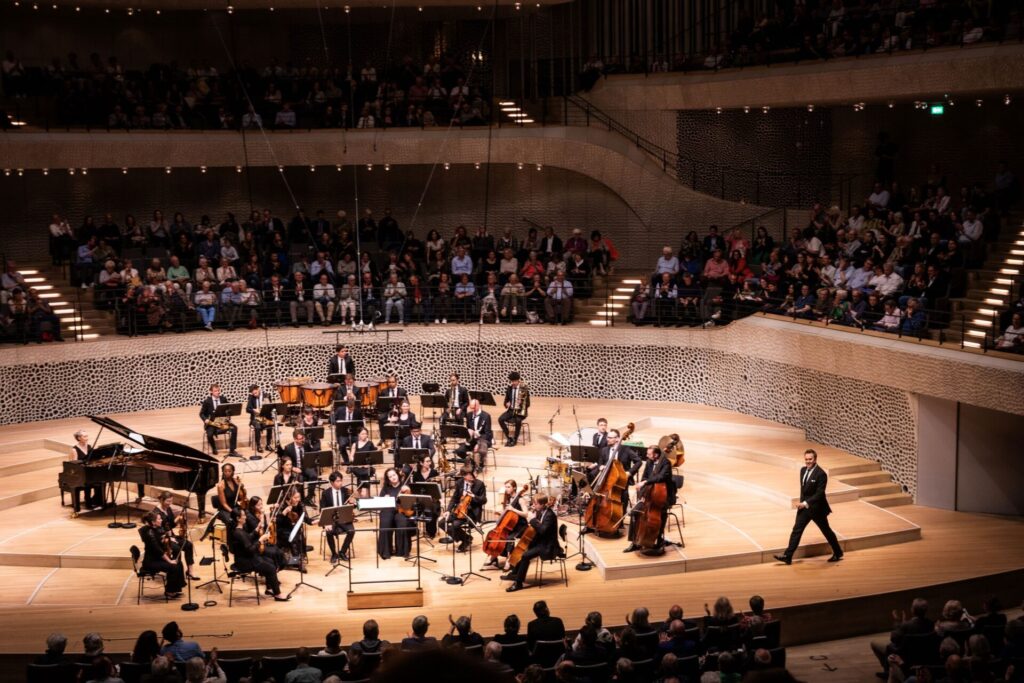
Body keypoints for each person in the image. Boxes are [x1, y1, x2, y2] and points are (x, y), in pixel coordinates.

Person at [774, 449, 844, 564]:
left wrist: (805, 503)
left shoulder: (821, 474)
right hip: (804, 508)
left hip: (817, 509)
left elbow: (820, 494)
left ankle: (838, 552)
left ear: (815, 459)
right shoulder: (802, 470)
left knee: (826, 531)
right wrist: (802, 503)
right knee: (797, 530)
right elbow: (803, 490)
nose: (808, 461)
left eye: (810, 459)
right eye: (806, 459)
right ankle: (788, 556)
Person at [623, 446, 674, 553]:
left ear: (656, 455)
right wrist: (642, 492)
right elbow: (644, 477)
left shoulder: (666, 463)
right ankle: (635, 542)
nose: (646, 456)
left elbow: (660, 477)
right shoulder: (649, 462)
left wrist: (645, 482)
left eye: (649, 454)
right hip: (649, 495)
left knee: (660, 515)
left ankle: (658, 540)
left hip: (664, 495)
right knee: (634, 512)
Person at [504, 494, 558, 592]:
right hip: (540, 542)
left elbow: (542, 530)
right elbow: (534, 527)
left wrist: (532, 519)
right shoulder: (541, 512)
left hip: (547, 545)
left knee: (525, 556)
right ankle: (514, 574)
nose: (533, 505)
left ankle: (518, 583)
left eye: (536, 504)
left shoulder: (550, 515)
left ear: (542, 504)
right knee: (521, 550)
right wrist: (519, 536)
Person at [139, 513, 186, 599]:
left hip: (156, 558)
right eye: (159, 519)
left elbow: (160, 540)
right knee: (173, 566)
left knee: (178, 563)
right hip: (151, 562)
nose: (161, 520)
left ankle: (176, 589)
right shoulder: (149, 533)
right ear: (153, 522)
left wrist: (165, 539)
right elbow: (158, 551)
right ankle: (169, 592)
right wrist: (169, 560)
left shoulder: (154, 529)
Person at [153, 491, 198, 581]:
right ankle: (176, 573)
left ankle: (190, 571)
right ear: (162, 500)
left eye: (171, 501)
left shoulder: (168, 509)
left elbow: (171, 524)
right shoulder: (155, 512)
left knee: (188, 545)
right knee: (177, 549)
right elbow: (157, 530)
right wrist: (169, 537)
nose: (170, 503)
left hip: (171, 536)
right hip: (163, 539)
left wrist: (179, 518)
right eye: (168, 501)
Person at [443, 466, 486, 552]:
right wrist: (448, 510)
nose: (472, 476)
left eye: (472, 474)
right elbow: (454, 498)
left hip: (471, 513)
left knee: (455, 525)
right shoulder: (460, 482)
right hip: (459, 510)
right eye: (469, 475)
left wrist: (473, 496)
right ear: (464, 476)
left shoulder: (479, 484)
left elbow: (484, 500)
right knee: (441, 522)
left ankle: (465, 541)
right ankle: (467, 538)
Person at [377, 467, 414, 560]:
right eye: (390, 476)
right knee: (385, 521)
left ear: (397, 475)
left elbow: (410, 501)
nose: (393, 477)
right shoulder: (386, 487)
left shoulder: (405, 485)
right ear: (388, 479)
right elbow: (380, 500)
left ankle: (401, 551)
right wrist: (384, 498)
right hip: (389, 509)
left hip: (401, 510)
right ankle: (386, 551)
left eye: (394, 475)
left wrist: (408, 490)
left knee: (402, 522)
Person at [320, 471, 356, 563]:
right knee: (329, 532)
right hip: (331, 519)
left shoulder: (345, 491)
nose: (340, 483)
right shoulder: (326, 493)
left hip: (344, 519)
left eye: (341, 480)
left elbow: (352, 506)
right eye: (338, 481)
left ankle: (342, 552)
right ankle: (334, 554)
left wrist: (353, 503)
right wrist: (326, 523)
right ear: (332, 482)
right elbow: (322, 509)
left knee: (351, 531)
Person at [199, 384, 239, 458]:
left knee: (234, 428)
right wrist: (205, 419)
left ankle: (232, 450)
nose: (218, 392)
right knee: (209, 434)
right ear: (211, 392)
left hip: (222, 423)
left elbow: (228, 409)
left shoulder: (223, 399)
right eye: (215, 391)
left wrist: (228, 416)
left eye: (218, 390)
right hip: (212, 423)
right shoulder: (207, 401)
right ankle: (214, 448)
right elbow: (201, 414)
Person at [70, 428, 104, 510]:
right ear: (79, 438)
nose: (87, 438)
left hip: (89, 471)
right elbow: (74, 465)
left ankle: (97, 501)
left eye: (87, 436)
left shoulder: (89, 447)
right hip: (80, 474)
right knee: (88, 482)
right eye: (85, 436)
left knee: (101, 481)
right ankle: (88, 503)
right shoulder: (74, 450)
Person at [283, 430, 319, 502]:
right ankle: (301, 500)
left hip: (306, 467)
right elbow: (285, 462)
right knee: (300, 479)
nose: (302, 440)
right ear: (295, 439)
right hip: (295, 468)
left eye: (303, 438)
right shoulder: (288, 448)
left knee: (314, 475)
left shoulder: (306, 444)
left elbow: (311, 455)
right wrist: (293, 468)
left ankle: (309, 497)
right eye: (300, 439)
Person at [458, 399, 492, 470]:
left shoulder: (486, 416)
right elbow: (468, 428)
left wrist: (478, 443)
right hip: (472, 440)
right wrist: (468, 432)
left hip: (483, 439)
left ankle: (480, 465)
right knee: (459, 451)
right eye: (471, 408)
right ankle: (472, 462)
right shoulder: (469, 415)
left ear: (478, 406)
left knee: (481, 451)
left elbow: (487, 434)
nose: (472, 410)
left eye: (473, 408)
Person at [498, 371, 529, 448]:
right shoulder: (509, 389)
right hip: (511, 410)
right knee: (500, 419)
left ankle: (515, 439)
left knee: (518, 420)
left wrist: (521, 403)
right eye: (512, 381)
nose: (513, 383)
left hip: (520, 411)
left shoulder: (524, 389)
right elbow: (505, 401)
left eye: (514, 381)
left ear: (518, 380)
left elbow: (528, 403)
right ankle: (508, 436)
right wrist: (506, 404)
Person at [246, 384, 273, 454]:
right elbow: (247, 409)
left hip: (265, 417)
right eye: (253, 394)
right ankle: (258, 445)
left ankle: (268, 445)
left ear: (259, 389)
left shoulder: (267, 396)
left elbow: (271, 407)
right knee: (257, 426)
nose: (254, 395)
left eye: (255, 393)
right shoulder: (251, 397)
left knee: (270, 425)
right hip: (255, 418)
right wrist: (254, 410)